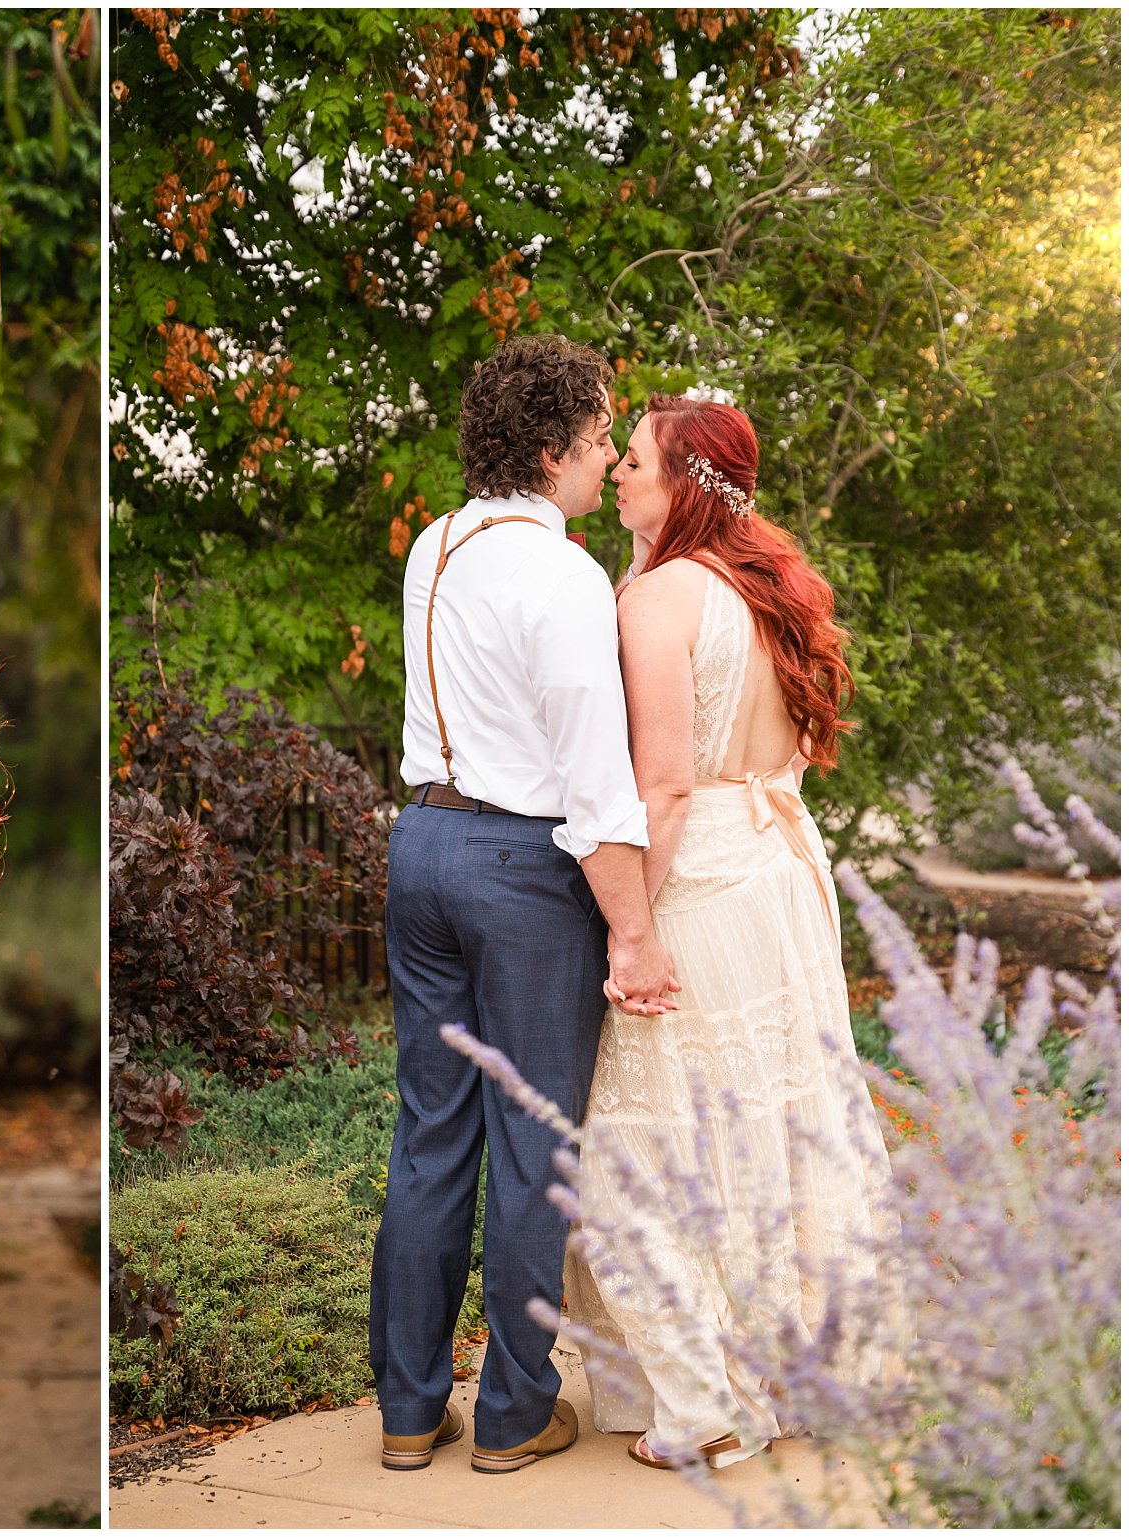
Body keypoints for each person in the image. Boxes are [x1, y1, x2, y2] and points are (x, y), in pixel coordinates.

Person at [565, 395, 896, 1470]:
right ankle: (802, 1372)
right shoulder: (768, 592)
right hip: (779, 876)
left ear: (685, 482)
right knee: (774, 1118)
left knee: (652, 1134)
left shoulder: (656, 598)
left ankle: (704, 1404)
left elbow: (660, 785)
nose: (617, 471)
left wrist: (631, 930)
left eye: (638, 461)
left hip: (700, 877)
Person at [370, 333, 678, 1476]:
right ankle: (509, 1414)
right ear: (550, 450)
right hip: (522, 867)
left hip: (423, 846)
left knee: (430, 1132)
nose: (607, 463)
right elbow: (594, 786)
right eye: (600, 441)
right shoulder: (563, 575)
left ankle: (407, 1411)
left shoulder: (432, 548)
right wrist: (634, 934)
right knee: (536, 1143)